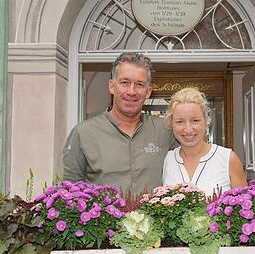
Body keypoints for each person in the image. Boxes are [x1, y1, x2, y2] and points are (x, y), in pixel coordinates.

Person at [63, 52, 177, 195]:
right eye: (125, 83)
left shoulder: (166, 130)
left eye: (139, 84)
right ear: (112, 86)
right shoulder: (83, 134)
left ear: (148, 92)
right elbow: (69, 192)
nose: (131, 91)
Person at [162, 88, 247, 197]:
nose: (188, 129)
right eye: (180, 122)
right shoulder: (167, 159)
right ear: (171, 124)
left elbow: (244, 206)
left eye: (195, 121)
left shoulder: (227, 159)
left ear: (206, 120)